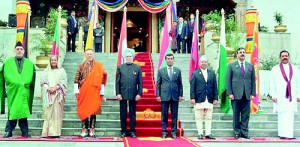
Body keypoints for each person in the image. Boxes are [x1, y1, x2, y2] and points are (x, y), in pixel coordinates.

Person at [0, 41, 35, 138]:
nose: (19, 51)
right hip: (14, 91)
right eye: (17, 49)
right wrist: (17, 82)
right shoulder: (8, 62)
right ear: (14, 50)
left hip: (24, 91)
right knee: (13, 111)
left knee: (23, 111)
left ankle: (25, 131)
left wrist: (24, 82)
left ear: (23, 51)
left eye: (21, 49)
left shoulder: (29, 63)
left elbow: (30, 76)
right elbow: (6, 75)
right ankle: (8, 131)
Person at [74, 49, 107, 137]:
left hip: (95, 92)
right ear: (85, 55)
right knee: (84, 110)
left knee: (93, 111)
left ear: (93, 55)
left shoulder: (99, 66)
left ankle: (92, 130)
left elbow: (102, 80)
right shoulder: (81, 66)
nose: (89, 55)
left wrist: (102, 93)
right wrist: (76, 91)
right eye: (87, 54)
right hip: (84, 91)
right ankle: (84, 130)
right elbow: (76, 78)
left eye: (91, 54)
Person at [226, 47, 255, 139]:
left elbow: (253, 81)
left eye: (244, 52)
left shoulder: (250, 66)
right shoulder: (231, 65)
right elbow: (228, 80)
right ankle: (237, 132)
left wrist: (252, 93)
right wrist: (229, 93)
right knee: (236, 114)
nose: (242, 54)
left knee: (246, 114)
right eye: (240, 52)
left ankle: (244, 132)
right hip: (235, 94)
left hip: (247, 94)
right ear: (237, 54)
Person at [270, 50, 300, 139]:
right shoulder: (275, 69)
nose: (284, 57)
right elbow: (272, 83)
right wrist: (273, 95)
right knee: (282, 114)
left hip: (291, 96)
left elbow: (298, 83)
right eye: (283, 56)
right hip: (280, 96)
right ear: (280, 58)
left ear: (289, 57)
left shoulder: (295, 69)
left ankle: (289, 134)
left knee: (290, 114)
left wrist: (298, 95)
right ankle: (282, 134)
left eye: (286, 55)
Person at [116, 49, 143, 138]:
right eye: (127, 56)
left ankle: (132, 131)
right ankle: (123, 130)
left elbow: (140, 82)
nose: (128, 58)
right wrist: (118, 93)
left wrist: (139, 94)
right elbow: (117, 82)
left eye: (130, 56)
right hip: (122, 94)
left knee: (132, 113)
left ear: (133, 57)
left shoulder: (137, 68)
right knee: (123, 113)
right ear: (124, 57)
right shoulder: (120, 67)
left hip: (133, 94)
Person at [190, 56, 218, 140]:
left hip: (209, 98)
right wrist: (192, 97)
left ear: (207, 63)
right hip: (199, 98)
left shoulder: (212, 73)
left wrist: (215, 98)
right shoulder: (195, 73)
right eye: (202, 62)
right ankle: (200, 133)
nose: (204, 63)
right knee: (198, 117)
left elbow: (214, 86)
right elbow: (192, 86)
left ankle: (208, 133)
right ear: (199, 63)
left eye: (205, 62)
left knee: (209, 116)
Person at [156, 53, 183, 139]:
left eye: (171, 58)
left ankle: (173, 132)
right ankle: (164, 131)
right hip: (164, 95)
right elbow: (158, 84)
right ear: (165, 60)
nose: (170, 60)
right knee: (164, 115)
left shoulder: (178, 71)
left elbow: (180, 84)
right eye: (168, 58)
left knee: (174, 115)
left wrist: (180, 95)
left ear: (173, 59)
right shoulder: (161, 71)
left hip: (175, 95)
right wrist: (158, 95)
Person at [40, 55, 67, 138]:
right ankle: (46, 132)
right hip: (48, 94)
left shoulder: (62, 71)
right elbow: (43, 82)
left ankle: (55, 132)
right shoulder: (46, 71)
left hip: (57, 94)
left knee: (56, 114)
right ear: (50, 61)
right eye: (52, 60)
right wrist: (48, 88)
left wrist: (55, 88)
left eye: (55, 60)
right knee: (48, 113)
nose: (54, 62)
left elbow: (63, 82)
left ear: (57, 61)